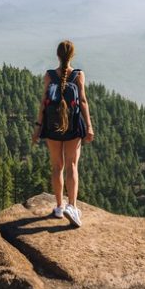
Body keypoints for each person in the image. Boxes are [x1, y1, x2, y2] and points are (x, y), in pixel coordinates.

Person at [32, 40, 94, 227]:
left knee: (57, 167)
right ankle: (72, 207)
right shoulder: (78, 75)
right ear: (72, 55)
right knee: (72, 165)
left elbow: (44, 102)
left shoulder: (49, 75)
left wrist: (38, 127)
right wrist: (89, 126)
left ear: (57, 55)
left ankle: (59, 207)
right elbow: (82, 101)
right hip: (73, 126)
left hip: (52, 127)